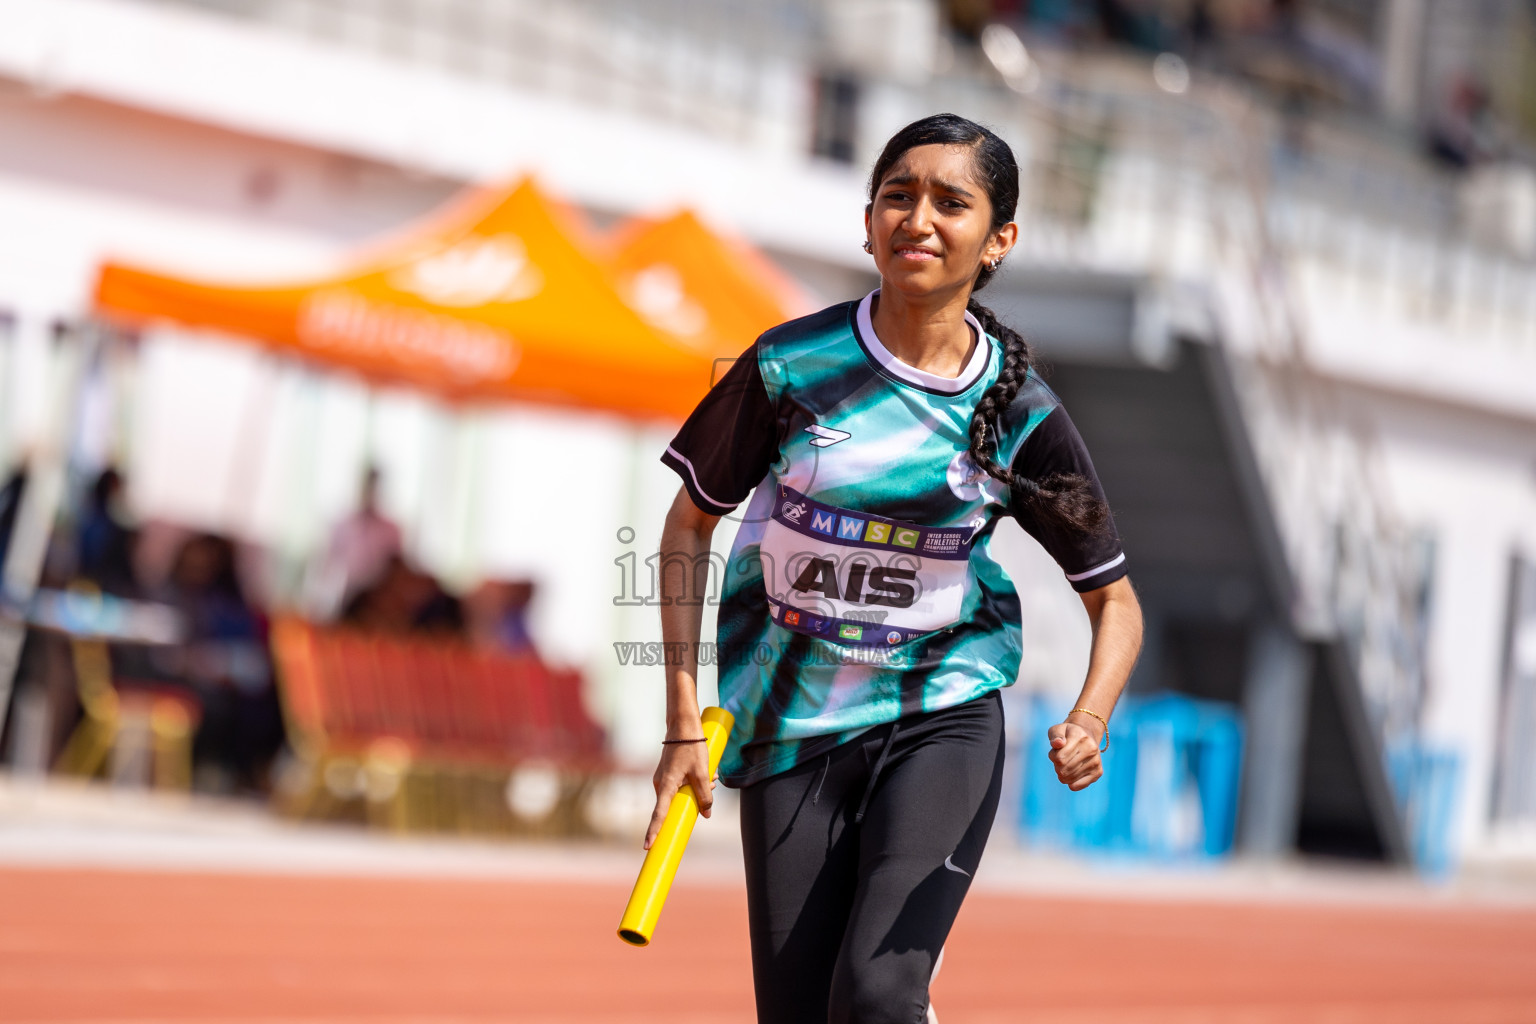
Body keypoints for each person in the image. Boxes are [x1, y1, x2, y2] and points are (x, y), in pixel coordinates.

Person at [647, 113, 1143, 1024]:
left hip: (940, 719)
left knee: (878, 995)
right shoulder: (792, 365)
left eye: (950, 202)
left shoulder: (1023, 413)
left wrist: (1090, 717)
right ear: (868, 219)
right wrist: (684, 720)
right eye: (897, 196)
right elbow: (688, 528)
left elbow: (1114, 601)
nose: (917, 218)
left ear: (999, 241)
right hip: (788, 724)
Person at [310, 466, 402, 619]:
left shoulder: (391, 530)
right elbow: (326, 565)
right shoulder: (342, 524)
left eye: (374, 486)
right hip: (344, 596)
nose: (370, 491)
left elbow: (395, 573)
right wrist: (318, 599)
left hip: (376, 603)